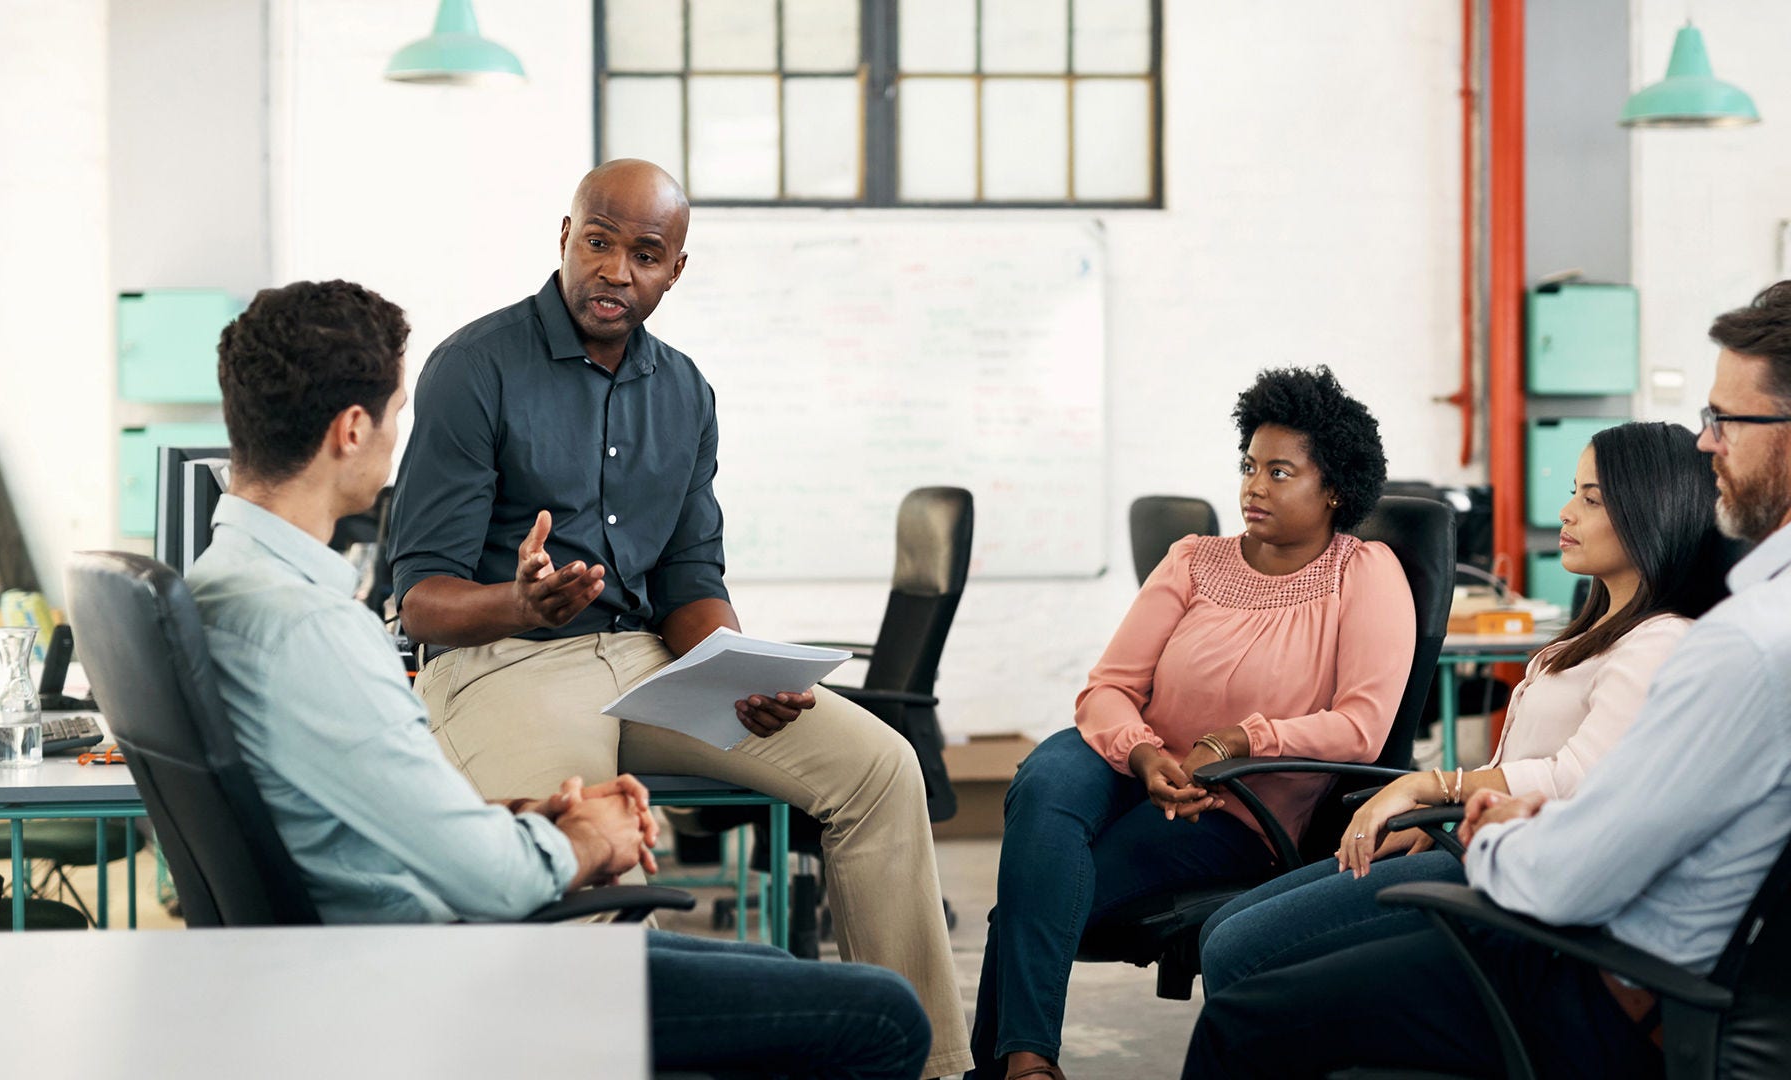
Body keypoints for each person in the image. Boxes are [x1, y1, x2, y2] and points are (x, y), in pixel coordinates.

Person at [188, 279, 931, 1079]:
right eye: (398, 412)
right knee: (879, 1017)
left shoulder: (219, 590)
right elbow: (491, 878)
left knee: (797, 954)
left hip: (378, 944)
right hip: (440, 969)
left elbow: (383, 811)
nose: (401, 433)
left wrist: (527, 818)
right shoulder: (317, 630)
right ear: (353, 429)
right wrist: (585, 836)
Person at [385, 159, 968, 1076]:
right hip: (505, 662)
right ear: (565, 238)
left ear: (675, 270)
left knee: (882, 769)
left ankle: (925, 1064)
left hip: (653, 664)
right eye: (598, 241)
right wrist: (518, 601)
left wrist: (739, 670)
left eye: (643, 253)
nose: (615, 269)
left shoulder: (686, 392)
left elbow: (692, 578)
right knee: (593, 871)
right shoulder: (474, 369)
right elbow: (420, 596)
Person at [1182, 281, 1791, 1079]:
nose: (1705, 442)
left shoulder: (1735, 645)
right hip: (1623, 944)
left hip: (1600, 972)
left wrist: (1487, 825)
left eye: (1725, 419)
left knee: (1243, 1016)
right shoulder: (1738, 629)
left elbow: (1572, 872)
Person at [967, 366, 1417, 1080]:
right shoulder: (1195, 559)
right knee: (1047, 779)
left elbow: (1359, 726)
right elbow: (1110, 689)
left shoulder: (1363, 573)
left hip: (1234, 806)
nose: (1253, 487)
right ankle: (1027, 1066)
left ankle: (1016, 1067)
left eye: (1279, 471)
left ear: (1333, 488)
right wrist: (1145, 756)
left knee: (1038, 891)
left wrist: (1239, 740)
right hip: (1133, 761)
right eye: (1248, 467)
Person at [1197, 421, 1728, 993]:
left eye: (1591, 499)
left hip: (1513, 878)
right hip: (1476, 847)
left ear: (1655, 511)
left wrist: (1431, 788)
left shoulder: (1658, 642)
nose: (1567, 512)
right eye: (1574, 491)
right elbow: (1529, 763)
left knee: (1238, 949)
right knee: (1221, 930)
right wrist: (1445, 818)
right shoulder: (1596, 633)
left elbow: (1577, 779)